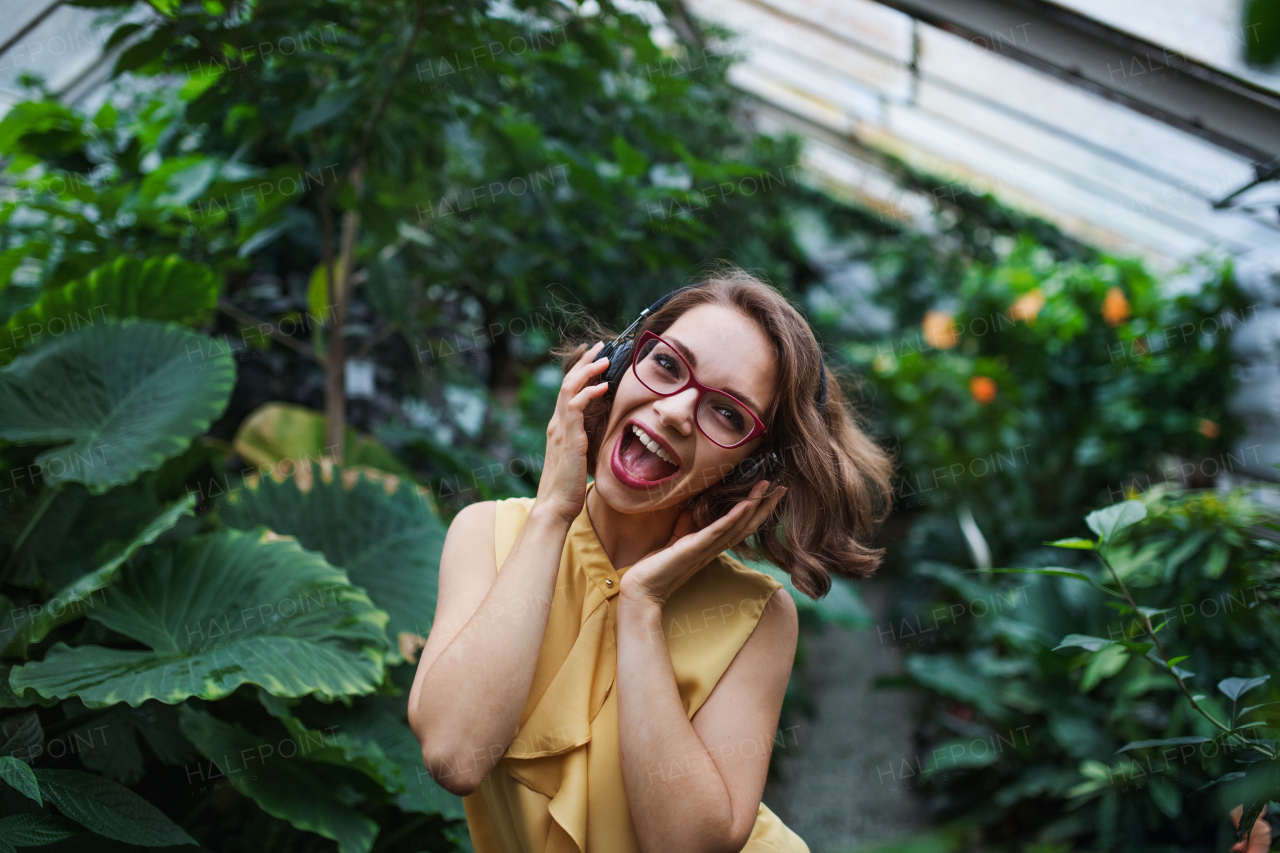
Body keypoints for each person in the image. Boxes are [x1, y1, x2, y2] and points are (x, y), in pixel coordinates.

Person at [408, 265, 893, 853]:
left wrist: (641, 606)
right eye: (666, 364)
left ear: (751, 467)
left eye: (729, 414)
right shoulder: (488, 534)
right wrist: (553, 513)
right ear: (617, 364)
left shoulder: (756, 617)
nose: (675, 411)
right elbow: (456, 755)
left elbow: (685, 846)